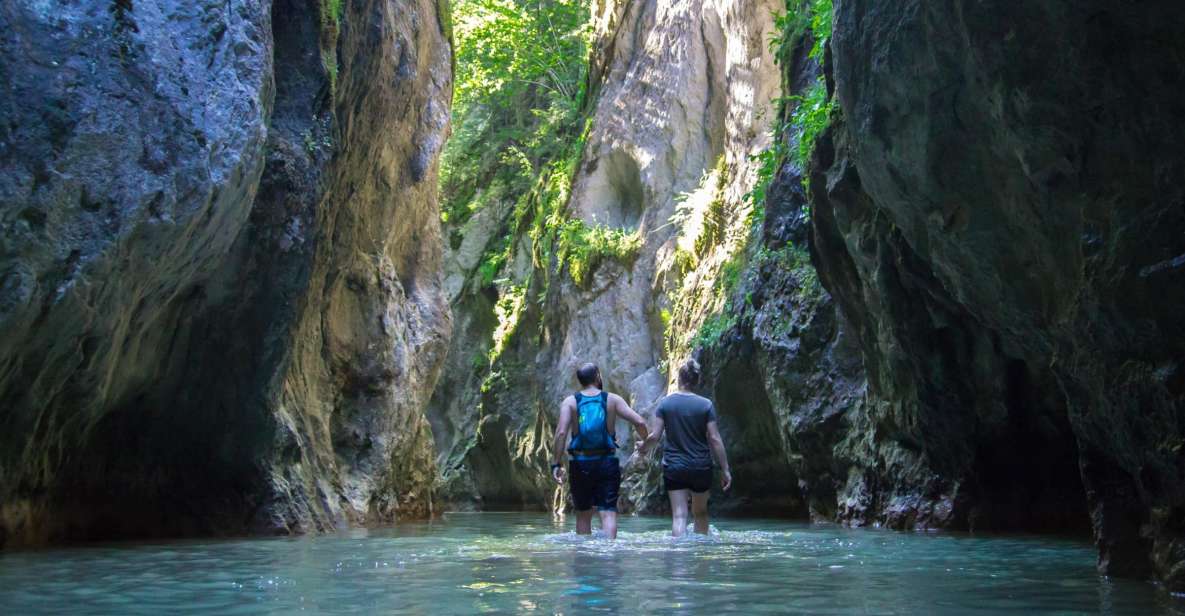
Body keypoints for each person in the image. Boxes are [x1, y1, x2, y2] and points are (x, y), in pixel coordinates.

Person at [551, 362, 649, 539]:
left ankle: (584, 558)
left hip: (580, 464)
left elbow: (561, 433)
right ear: (597, 376)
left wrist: (556, 463)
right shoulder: (612, 399)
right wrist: (645, 445)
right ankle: (609, 552)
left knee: (583, 514)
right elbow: (640, 422)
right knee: (608, 512)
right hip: (607, 462)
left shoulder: (570, 402)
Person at [636, 358, 731, 537]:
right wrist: (725, 469)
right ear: (697, 381)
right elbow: (714, 438)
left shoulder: (665, 404)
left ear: (679, 379)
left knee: (679, 515)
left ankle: (678, 558)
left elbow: (655, 436)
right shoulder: (706, 405)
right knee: (700, 513)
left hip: (674, 466)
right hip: (700, 466)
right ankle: (700, 558)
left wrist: (642, 448)